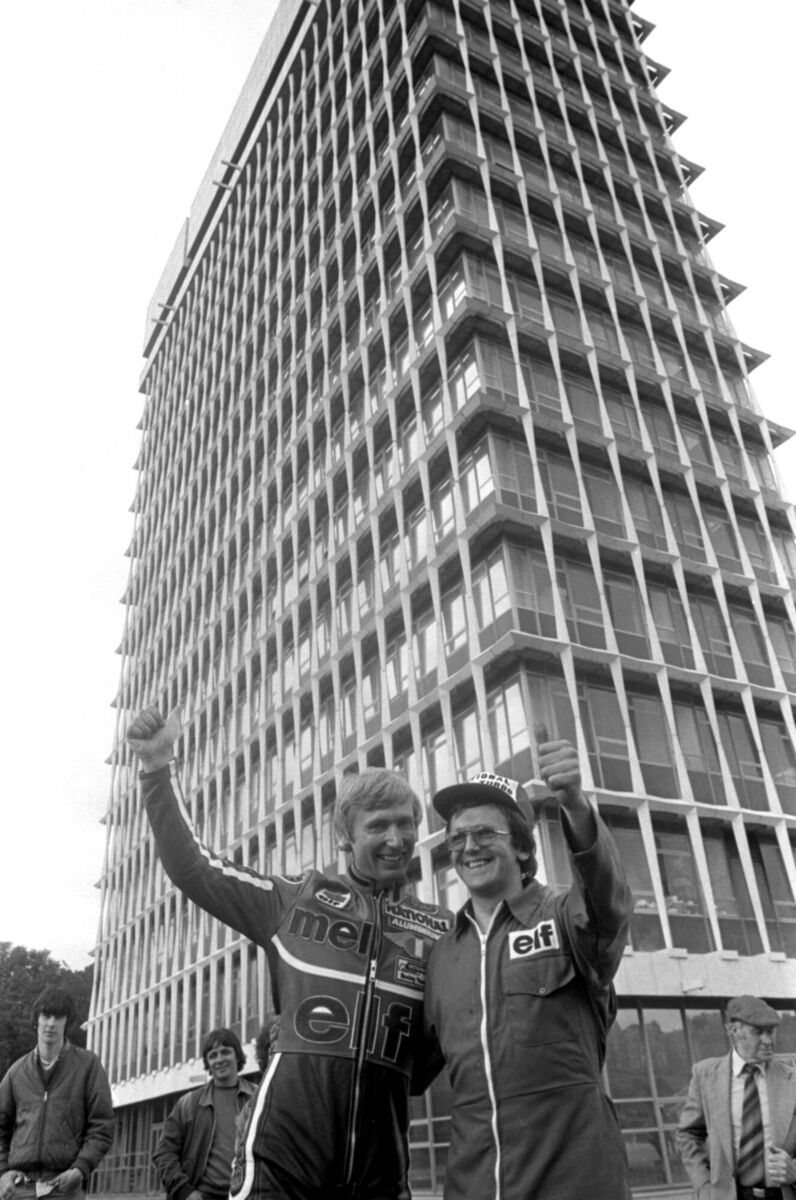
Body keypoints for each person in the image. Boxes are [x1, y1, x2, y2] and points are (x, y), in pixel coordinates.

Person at [126, 705, 452, 1200]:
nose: (396, 839)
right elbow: (194, 867)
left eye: (406, 825)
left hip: (380, 1170)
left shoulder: (439, 929)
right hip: (283, 1159)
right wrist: (156, 769)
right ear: (345, 837)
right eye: (378, 826)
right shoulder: (294, 899)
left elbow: (432, 1056)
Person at [423, 737, 633, 1200]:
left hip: (576, 1184)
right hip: (472, 1187)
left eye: (485, 833)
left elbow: (608, 906)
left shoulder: (564, 919)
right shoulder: (440, 956)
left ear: (521, 847)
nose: (468, 846)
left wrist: (575, 807)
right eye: (457, 837)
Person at [676, 995, 796, 1200]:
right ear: (732, 1031)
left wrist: (794, 1169)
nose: (768, 1040)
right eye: (758, 1032)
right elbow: (688, 1135)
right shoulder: (705, 1075)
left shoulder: (792, 1080)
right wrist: (704, 1187)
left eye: (771, 1031)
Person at [0, 987, 114, 1200]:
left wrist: (81, 1168)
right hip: (20, 1188)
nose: (51, 1023)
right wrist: (2, 1172)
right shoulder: (16, 1072)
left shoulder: (88, 1066)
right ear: (36, 1019)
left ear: (67, 1021)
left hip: (65, 1187)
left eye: (58, 1016)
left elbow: (102, 1124)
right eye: (46, 1015)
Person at [154, 1028, 255, 1200]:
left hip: (248, 1195)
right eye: (213, 1055)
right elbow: (164, 1153)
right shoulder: (188, 1104)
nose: (220, 1059)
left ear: (237, 1055)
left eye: (225, 1052)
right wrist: (185, 1191)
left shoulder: (258, 1098)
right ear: (207, 1063)